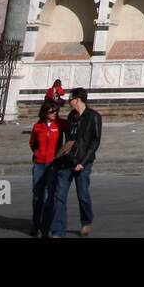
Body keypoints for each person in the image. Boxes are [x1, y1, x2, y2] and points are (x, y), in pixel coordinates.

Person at [49, 87, 101, 237]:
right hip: (68, 160)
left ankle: (86, 221)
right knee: (59, 195)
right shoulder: (71, 117)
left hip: (83, 161)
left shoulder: (94, 117)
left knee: (82, 194)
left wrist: (83, 162)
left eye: (71, 99)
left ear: (77, 99)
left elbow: (95, 142)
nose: (69, 102)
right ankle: (58, 230)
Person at [28, 100, 63, 237]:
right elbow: (32, 143)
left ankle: (45, 226)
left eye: (56, 111)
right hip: (39, 164)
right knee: (38, 196)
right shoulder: (38, 126)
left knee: (49, 196)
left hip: (52, 164)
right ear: (45, 112)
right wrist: (38, 153)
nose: (54, 114)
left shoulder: (59, 125)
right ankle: (35, 223)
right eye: (51, 111)